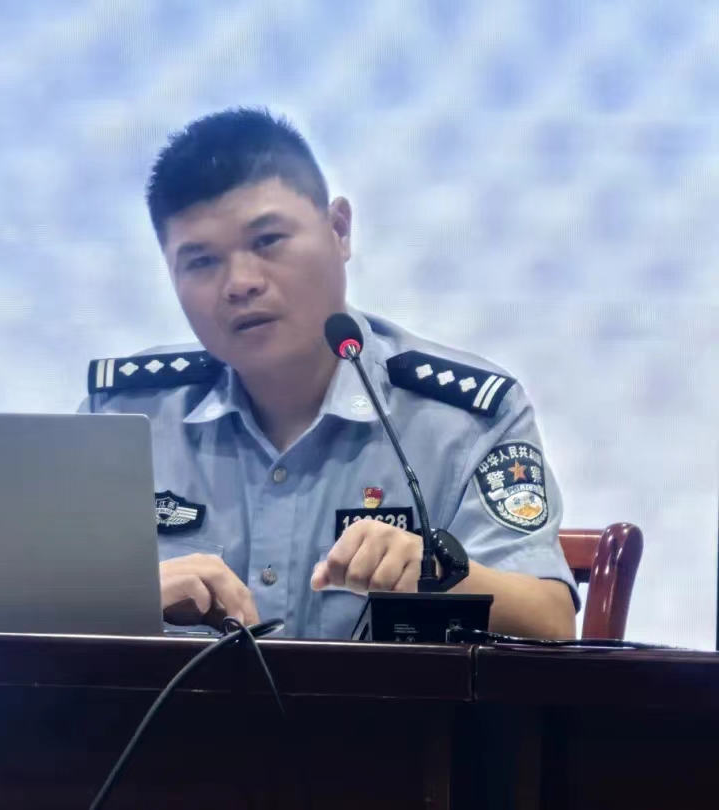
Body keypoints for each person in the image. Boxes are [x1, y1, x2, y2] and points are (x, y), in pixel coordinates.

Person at [80, 108, 577, 640]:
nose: (241, 283)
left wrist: (438, 574)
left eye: (268, 241)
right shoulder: (124, 416)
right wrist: (122, 599)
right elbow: (33, 614)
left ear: (338, 230)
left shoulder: (465, 418)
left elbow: (552, 624)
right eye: (201, 262)